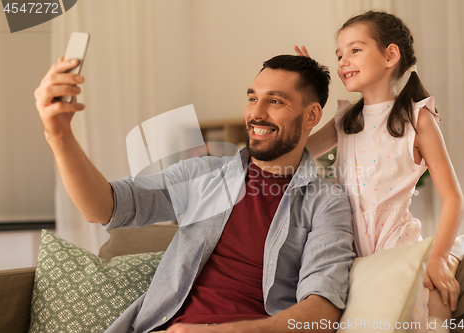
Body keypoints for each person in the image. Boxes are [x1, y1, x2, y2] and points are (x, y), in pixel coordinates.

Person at [34, 54, 355, 332]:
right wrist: (59, 135)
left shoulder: (325, 203)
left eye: (275, 101)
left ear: (312, 116)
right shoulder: (204, 174)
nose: (256, 114)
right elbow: (105, 207)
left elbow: (321, 313)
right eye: (252, 97)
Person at [294, 10, 464, 333]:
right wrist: (308, 89)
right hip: (348, 257)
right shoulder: (346, 120)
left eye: (355, 50)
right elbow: (298, 153)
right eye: (339, 54)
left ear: (390, 55)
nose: (344, 61)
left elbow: (454, 199)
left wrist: (438, 259)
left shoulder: (418, 119)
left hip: (397, 250)